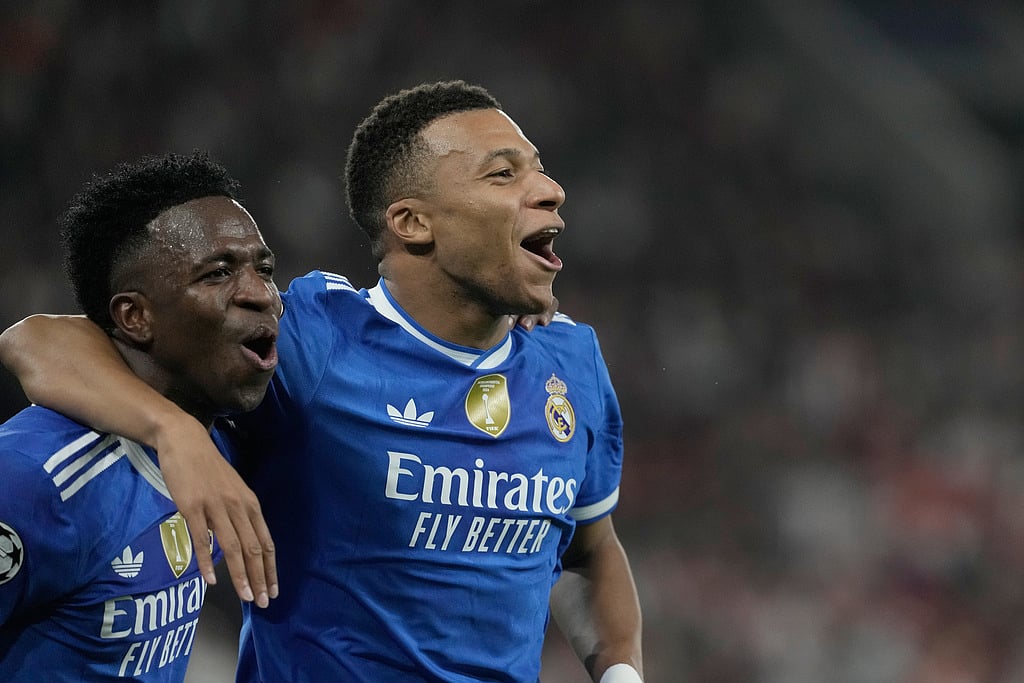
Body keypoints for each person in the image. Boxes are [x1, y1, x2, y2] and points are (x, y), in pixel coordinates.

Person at [0, 80, 644, 682]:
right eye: (505, 173)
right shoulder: (313, 340)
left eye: (538, 167)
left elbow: (589, 551)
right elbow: (39, 339)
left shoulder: (571, 362)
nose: (552, 189)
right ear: (413, 222)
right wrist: (175, 433)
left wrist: (621, 674)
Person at [0, 151, 283, 681]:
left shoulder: (224, 432)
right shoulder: (33, 478)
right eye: (217, 274)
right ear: (135, 316)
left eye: (264, 269)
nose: (260, 294)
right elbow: (27, 336)